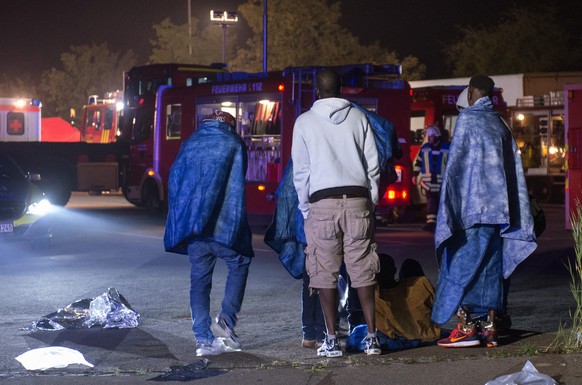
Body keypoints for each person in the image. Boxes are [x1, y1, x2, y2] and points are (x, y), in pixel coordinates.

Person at [432, 75, 537, 348]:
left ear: (471, 93)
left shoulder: (468, 120)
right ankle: (490, 327)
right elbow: (512, 172)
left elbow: (456, 169)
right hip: (499, 212)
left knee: (460, 265)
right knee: (491, 268)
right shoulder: (500, 123)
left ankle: (467, 327)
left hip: (472, 209)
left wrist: (450, 208)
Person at [291, 68, 382, 357]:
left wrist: (306, 207)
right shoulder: (359, 117)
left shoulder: (304, 122)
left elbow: (301, 171)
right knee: (363, 270)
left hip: (322, 203)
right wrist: (371, 201)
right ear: (341, 90)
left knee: (324, 273)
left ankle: (330, 339)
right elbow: (373, 165)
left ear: (316, 91)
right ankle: (371, 337)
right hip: (358, 200)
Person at [164, 111, 254, 357]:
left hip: (194, 226)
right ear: (229, 126)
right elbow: (237, 182)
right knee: (240, 262)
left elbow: (174, 180)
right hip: (223, 225)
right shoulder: (233, 143)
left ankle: (203, 339)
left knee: (199, 279)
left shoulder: (189, 143)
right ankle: (226, 319)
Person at [413, 124, 450, 233]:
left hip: (443, 182)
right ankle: (431, 223)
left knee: (441, 203)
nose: (429, 138)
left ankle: (441, 224)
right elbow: (418, 162)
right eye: (428, 136)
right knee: (431, 202)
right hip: (429, 182)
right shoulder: (425, 148)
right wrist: (415, 175)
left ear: (437, 136)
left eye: (431, 136)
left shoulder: (447, 147)